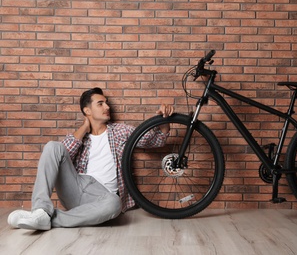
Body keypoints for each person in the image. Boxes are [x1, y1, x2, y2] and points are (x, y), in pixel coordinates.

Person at [7, 87, 174, 230]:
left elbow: (156, 140)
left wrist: (164, 121)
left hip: (102, 198)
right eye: (100, 104)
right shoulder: (80, 137)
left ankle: (46, 219)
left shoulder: (120, 131)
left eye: (106, 103)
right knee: (53, 146)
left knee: (115, 205)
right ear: (87, 111)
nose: (107, 107)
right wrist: (84, 128)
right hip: (78, 187)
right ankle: (41, 209)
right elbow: (59, 155)